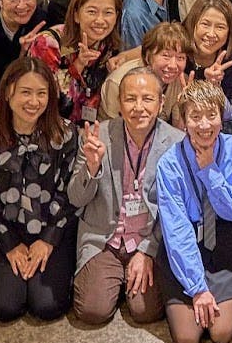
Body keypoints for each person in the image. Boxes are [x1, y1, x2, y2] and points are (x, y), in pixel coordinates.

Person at [67, 67, 183, 325]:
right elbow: (75, 199)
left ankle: (128, 278)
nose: (138, 107)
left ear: (161, 102)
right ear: (119, 103)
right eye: (130, 99)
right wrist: (91, 168)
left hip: (146, 238)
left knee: (145, 312)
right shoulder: (97, 136)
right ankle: (113, 278)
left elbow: (176, 210)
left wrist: (148, 250)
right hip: (105, 238)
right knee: (92, 311)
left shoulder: (176, 143)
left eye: (147, 99)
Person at [0, 57, 77, 321]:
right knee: (5, 307)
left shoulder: (65, 133)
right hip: (5, 230)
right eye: (26, 92)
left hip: (52, 228)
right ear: (8, 92)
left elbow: (68, 193)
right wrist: (9, 243)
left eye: (41, 93)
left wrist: (48, 239)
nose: (34, 101)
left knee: (47, 306)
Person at [155, 81, 232, 343]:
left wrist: (210, 171)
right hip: (186, 243)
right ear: (183, 121)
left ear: (222, 117)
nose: (204, 125)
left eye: (211, 115)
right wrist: (197, 288)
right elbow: (176, 229)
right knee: (187, 339)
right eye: (195, 116)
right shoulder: (169, 163)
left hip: (226, 240)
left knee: (221, 333)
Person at [23, 0, 123, 126]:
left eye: (108, 13)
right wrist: (78, 65)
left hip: (88, 126)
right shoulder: (48, 43)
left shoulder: (108, 46)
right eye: (92, 12)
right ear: (76, 15)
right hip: (46, 125)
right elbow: (47, 99)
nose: (100, 20)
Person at [102, 23, 191, 121]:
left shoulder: (182, 82)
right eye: (166, 56)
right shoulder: (118, 82)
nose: (173, 66)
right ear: (148, 57)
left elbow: (178, 128)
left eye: (180, 58)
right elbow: (114, 127)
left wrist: (185, 105)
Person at [182, 0, 232, 129]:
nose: (211, 34)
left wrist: (214, 87)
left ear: (229, 32)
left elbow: (231, 115)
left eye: (220, 27)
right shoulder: (178, 50)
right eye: (205, 24)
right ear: (193, 24)